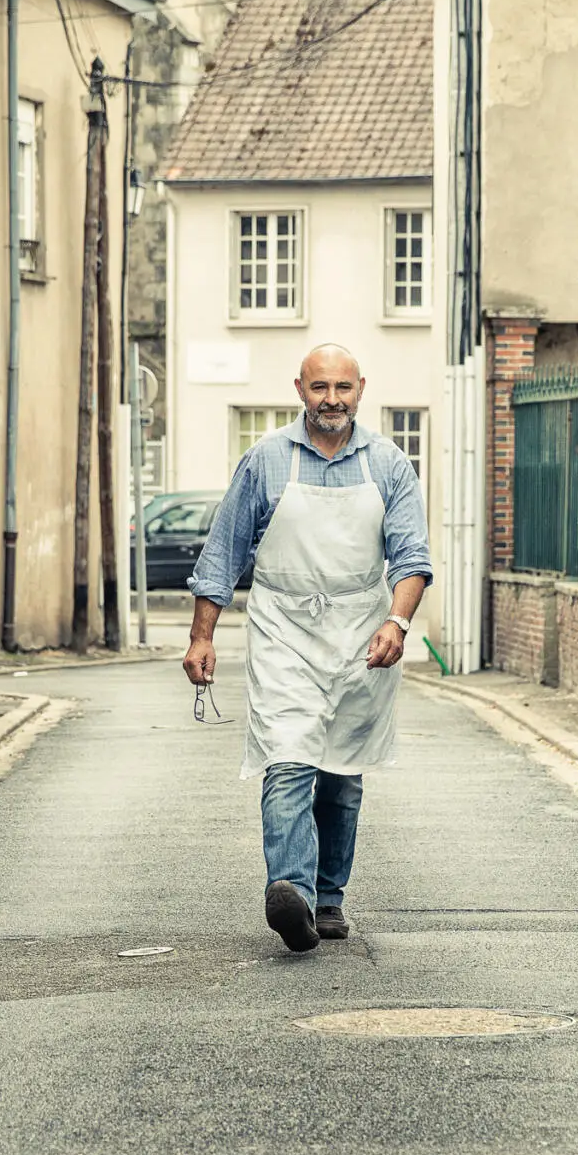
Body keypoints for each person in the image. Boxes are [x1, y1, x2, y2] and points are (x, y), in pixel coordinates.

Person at [183, 344, 432, 953]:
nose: (332, 400)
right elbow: (224, 553)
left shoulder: (390, 465)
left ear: (361, 390)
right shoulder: (265, 461)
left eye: (342, 388)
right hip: (282, 628)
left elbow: (412, 559)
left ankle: (328, 898)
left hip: (360, 631)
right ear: (299, 389)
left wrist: (397, 622)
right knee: (289, 753)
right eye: (320, 387)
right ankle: (288, 891)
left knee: (342, 774)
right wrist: (202, 634)